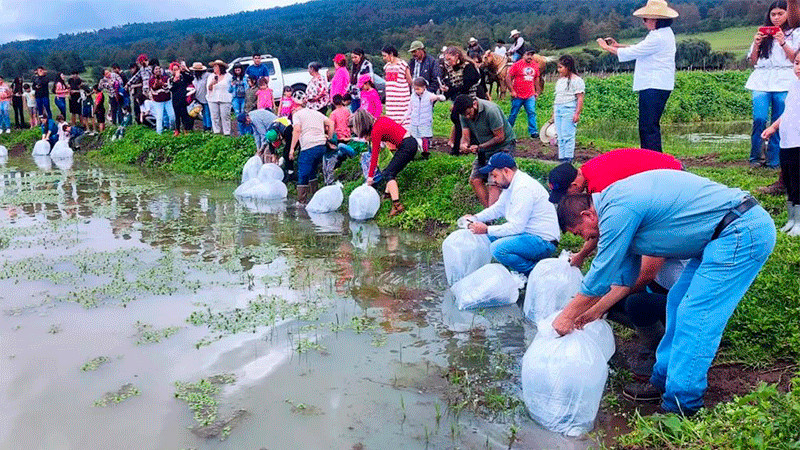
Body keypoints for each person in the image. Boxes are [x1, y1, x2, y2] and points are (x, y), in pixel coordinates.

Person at [553, 170, 776, 415]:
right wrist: (591, 313)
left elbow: (600, 274)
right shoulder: (615, 210)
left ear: (587, 215)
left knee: (696, 315)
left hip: (739, 230)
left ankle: (682, 405)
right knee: (677, 304)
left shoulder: (617, 209)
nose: (585, 238)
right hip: (716, 240)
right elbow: (624, 279)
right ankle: (663, 379)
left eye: (579, 232)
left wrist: (566, 316)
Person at [547, 148, 683, 267]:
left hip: (674, 181)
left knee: (653, 246)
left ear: (574, 186)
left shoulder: (600, 185)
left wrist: (583, 255)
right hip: (666, 175)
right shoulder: (587, 170)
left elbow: (603, 226)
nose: (567, 201)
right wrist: (582, 254)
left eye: (566, 195)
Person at [597, 0, 678, 152]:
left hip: (654, 85)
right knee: (649, 125)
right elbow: (641, 48)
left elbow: (633, 52)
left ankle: (653, 160)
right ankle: (652, 158)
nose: (644, 22)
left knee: (648, 126)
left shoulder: (657, 37)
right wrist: (618, 45)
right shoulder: (662, 34)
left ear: (656, 20)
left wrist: (607, 48)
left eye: (646, 19)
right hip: (658, 84)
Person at [459, 152, 559, 275]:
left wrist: (487, 229)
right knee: (484, 238)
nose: (494, 180)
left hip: (543, 241)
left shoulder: (523, 188)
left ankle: (534, 272)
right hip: (527, 235)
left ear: (506, 171)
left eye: (495, 176)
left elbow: (516, 227)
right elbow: (498, 209)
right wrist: (475, 218)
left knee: (498, 249)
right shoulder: (511, 185)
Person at [595, 256, 685, 380]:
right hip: (662, 290)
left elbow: (646, 275)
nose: (575, 235)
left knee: (636, 303)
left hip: (687, 301)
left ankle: (662, 351)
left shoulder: (656, 237)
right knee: (610, 297)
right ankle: (656, 334)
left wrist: (600, 306)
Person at [746, 0, 798, 168]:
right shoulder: (763, 34)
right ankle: (755, 157)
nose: (776, 18)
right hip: (762, 78)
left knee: (779, 119)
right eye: (773, 14)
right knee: (759, 118)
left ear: (787, 14)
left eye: (780, 14)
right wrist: (757, 45)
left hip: (785, 78)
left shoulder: (795, 33)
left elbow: (795, 59)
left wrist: (783, 42)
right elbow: (753, 61)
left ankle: (774, 160)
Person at [452, 94, 516, 207]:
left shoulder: (491, 111)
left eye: (469, 113)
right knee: (475, 179)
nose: (467, 117)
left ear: (474, 104)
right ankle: (490, 213)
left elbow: (500, 137)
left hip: (503, 146)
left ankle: (493, 214)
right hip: (484, 148)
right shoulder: (464, 114)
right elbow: (465, 135)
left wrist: (480, 146)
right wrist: (464, 144)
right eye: (464, 115)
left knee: (494, 181)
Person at [351, 108, 417, 217]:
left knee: (388, 174)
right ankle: (386, 196)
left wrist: (370, 177)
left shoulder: (376, 130)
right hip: (409, 143)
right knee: (389, 171)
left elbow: (374, 155)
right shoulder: (380, 120)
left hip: (407, 146)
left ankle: (397, 205)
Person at [762, 51, 800, 235]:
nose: (798, 68)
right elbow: (788, 112)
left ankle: (799, 223)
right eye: (797, 63)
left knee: (799, 181)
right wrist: (773, 128)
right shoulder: (793, 84)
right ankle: (791, 219)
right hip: (787, 142)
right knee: (790, 181)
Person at [289, 91, 334, 204]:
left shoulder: (297, 115)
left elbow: (297, 130)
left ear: (295, 107)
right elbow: (331, 123)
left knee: (303, 172)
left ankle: (301, 202)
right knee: (312, 170)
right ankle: (315, 196)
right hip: (321, 146)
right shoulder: (316, 113)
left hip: (309, 146)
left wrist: (292, 149)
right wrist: (329, 137)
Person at [441, 47, 484, 156]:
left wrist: (452, 93)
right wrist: (447, 90)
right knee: (456, 119)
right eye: (447, 60)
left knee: (471, 120)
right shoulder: (450, 69)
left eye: (449, 59)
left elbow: (466, 86)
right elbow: (454, 85)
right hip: (459, 98)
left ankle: (477, 145)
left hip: (471, 98)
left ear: (457, 56)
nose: (448, 62)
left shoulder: (468, 67)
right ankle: (457, 147)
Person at [551, 55, 585, 162]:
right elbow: (557, 97)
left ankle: (568, 158)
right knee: (560, 136)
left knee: (568, 135)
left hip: (569, 109)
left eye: (561, 67)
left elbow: (580, 98)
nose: (559, 70)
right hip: (558, 108)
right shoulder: (560, 81)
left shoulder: (577, 80)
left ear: (568, 67)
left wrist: (577, 113)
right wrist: (554, 112)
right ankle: (562, 157)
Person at [506, 50, 542, 140]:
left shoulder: (535, 65)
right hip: (517, 95)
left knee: (532, 112)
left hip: (530, 94)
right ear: (524, 55)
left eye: (532, 55)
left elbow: (536, 78)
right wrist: (512, 90)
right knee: (513, 113)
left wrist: (537, 91)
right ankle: (507, 131)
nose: (530, 57)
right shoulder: (517, 65)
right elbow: (508, 77)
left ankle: (533, 132)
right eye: (528, 54)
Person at [408, 77, 445, 159]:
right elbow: (409, 109)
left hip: (425, 121)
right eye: (415, 89)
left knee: (425, 138)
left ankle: (425, 153)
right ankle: (413, 154)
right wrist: (404, 119)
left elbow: (443, 98)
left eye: (418, 89)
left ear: (424, 87)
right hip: (414, 121)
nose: (416, 91)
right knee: (414, 138)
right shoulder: (412, 96)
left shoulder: (429, 95)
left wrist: (437, 97)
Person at [382, 45, 413, 127]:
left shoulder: (403, 65)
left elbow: (410, 81)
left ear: (391, 54)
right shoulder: (387, 67)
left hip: (402, 102)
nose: (384, 58)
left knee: (404, 125)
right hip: (391, 103)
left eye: (385, 55)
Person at [206, 60, 233, 135]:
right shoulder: (211, 76)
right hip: (213, 99)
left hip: (225, 99)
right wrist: (212, 83)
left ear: (221, 67)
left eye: (216, 66)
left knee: (225, 117)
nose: (214, 68)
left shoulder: (228, 76)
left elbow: (231, 88)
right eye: (214, 67)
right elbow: (208, 88)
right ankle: (216, 132)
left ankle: (227, 133)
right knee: (214, 117)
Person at [169, 62, 194, 136]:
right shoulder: (170, 79)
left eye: (177, 69)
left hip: (183, 99)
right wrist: (175, 79)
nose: (176, 71)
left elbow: (192, 78)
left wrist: (186, 70)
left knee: (184, 115)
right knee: (177, 115)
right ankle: (177, 130)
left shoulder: (184, 77)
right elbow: (171, 88)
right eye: (174, 70)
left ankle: (186, 130)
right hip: (175, 100)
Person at [148, 65, 174, 134]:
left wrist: (162, 83)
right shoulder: (151, 80)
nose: (158, 70)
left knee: (172, 116)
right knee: (159, 118)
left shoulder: (166, 78)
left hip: (167, 100)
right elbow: (153, 87)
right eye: (156, 69)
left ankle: (172, 130)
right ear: (153, 71)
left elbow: (168, 86)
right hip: (158, 102)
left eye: (159, 69)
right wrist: (157, 83)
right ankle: (159, 133)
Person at [349, 48, 374, 113]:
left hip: (363, 96)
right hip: (354, 96)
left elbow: (369, 80)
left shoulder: (367, 65)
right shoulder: (353, 66)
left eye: (355, 57)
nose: (354, 59)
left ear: (360, 56)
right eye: (352, 58)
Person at [190, 62, 212, 131]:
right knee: (203, 113)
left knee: (207, 113)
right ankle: (205, 126)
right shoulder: (195, 77)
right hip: (198, 98)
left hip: (206, 97)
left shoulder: (207, 75)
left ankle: (208, 127)